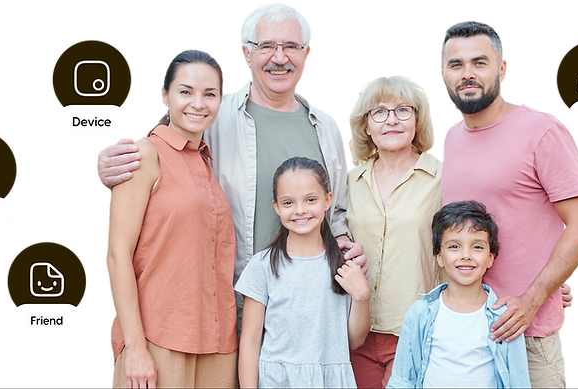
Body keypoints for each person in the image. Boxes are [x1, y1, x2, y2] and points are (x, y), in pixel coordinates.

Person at [92, 0, 366, 326]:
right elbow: (160, 149)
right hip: (231, 300)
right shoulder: (211, 112)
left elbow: (336, 211)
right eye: (266, 46)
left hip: (310, 300)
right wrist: (104, 161)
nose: (279, 58)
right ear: (244, 53)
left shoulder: (326, 125)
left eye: (291, 46)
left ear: (308, 53)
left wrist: (344, 241)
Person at [435, 18, 578, 387]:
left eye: (480, 63)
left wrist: (535, 296)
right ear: (441, 74)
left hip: (528, 333)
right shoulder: (448, 138)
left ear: (504, 68)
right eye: (456, 65)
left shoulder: (543, 130)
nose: (468, 74)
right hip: (464, 332)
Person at [104, 46, 238, 388]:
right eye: (185, 91)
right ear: (163, 96)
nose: (198, 103)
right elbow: (117, 255)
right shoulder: (144, 155)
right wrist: (135, 347)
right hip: (158, 338)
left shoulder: (208, 163)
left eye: (210, 94)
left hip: (218, 343)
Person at [343, 71, 443, 388]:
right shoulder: (349, 181)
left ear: (417, 121)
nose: (392, 121)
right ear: (366, 125)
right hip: (356, 331)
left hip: (415, 329)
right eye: (379, 112)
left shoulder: (442, 176)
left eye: (403, 110)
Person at [235, 157, 371, 388]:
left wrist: (362, 297)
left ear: (327, 200)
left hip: (330, 380)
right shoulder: (263, 266)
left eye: (310, 200)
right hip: (277, 381)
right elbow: (249, 341)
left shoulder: (344, 265)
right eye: (288, 203)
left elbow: (355, 341)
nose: (300, 210)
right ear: (276, 206)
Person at [387, 200, 530, 388]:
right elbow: (402, 378)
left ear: (490, 258)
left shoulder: (504, 317)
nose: (466, 255)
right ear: (439, 257)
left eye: (477, 247)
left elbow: (518, 381)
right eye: (454, 246)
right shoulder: (420, 313)